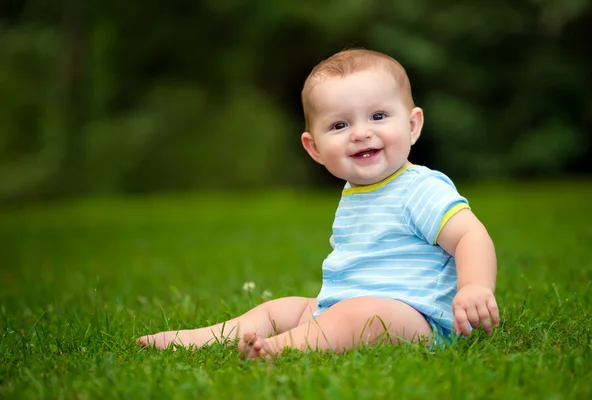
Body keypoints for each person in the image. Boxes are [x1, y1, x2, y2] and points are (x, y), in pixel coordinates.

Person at [137, 48, 500, 359]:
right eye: (340, 125)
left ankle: (282, 347)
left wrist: (473, 287)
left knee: (363, 314)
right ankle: (202, 338)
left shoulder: (419, 187)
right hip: (344, 306)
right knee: (284, 307)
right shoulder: (354, 194)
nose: (361, 132)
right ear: (314, 148)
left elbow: (470, 234)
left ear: (412, 125)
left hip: (420, 320)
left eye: (378, 116)